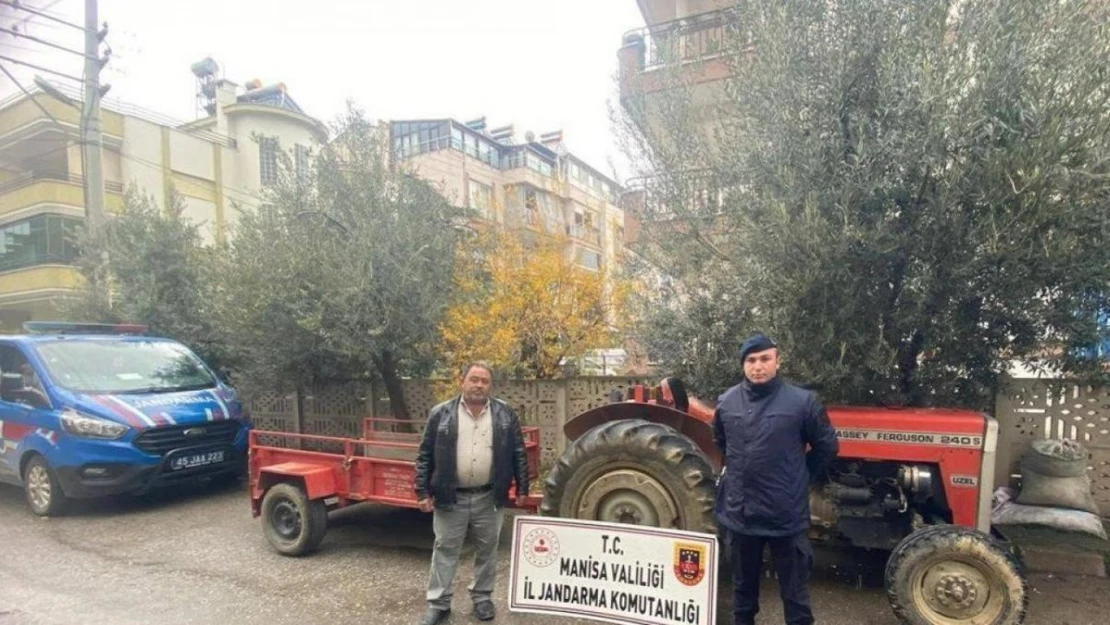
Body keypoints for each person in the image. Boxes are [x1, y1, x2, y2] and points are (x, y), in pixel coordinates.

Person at [712, 334, 839, 625]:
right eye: (751, 360)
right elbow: (722, 443)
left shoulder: (802, 402)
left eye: (765, 359)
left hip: (786, 518)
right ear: (743, 365)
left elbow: (827, 446)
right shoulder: (727, 402)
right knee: (743, 596)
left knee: (795, 599)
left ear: (777, 362)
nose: (758, 366)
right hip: (741, 516)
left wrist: (800, 476)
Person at [414, 361, 530, 625]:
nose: (479, 385)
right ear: (462, 381)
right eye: (474, 379)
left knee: (488, 549)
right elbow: (424, 455)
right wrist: (422, 491)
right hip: (449, 497)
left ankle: (482, 597)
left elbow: (518, 453)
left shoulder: (505, 414)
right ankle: (439, 603)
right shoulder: (440, 413)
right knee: (445, 549)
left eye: (484, 381)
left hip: (489, 496)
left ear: (490, 385)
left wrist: (522, 487)